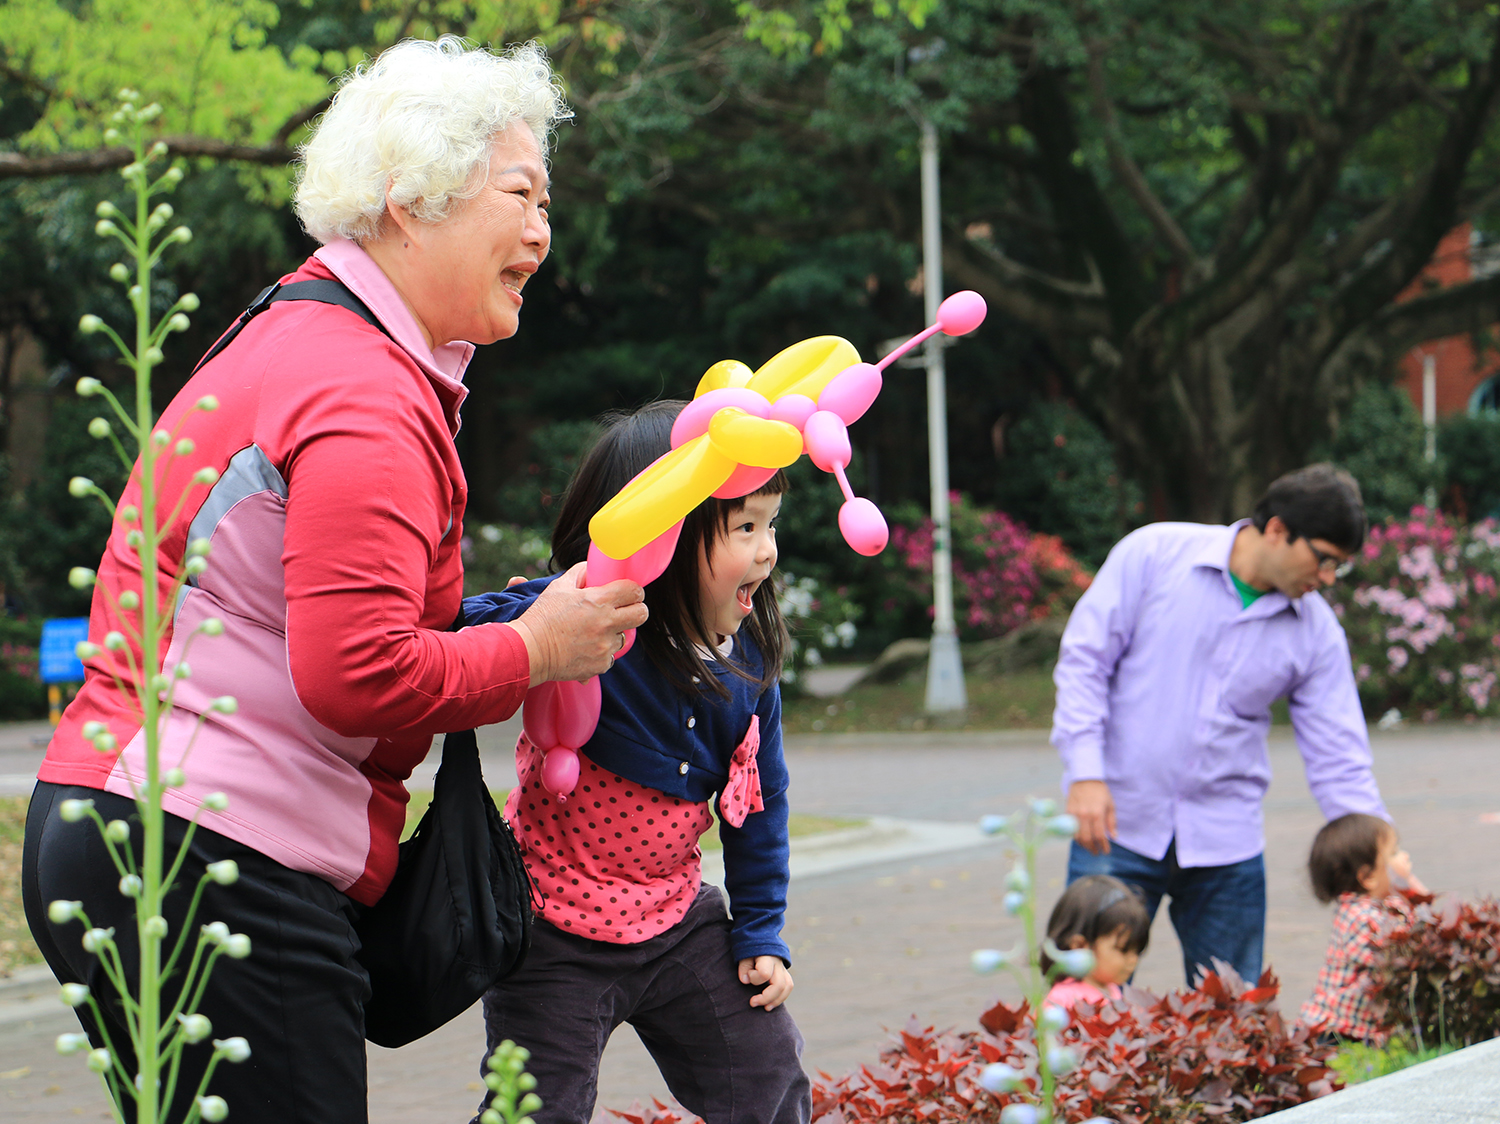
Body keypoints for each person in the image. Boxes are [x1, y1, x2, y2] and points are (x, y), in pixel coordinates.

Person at [22, 38, 649, 1124]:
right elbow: (356, 674)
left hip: (145, 835)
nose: (544, 231)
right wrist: (538, 649)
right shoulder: (361, 387)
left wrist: (504, 618)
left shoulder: (308, 334)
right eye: (521, 192)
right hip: (207, 856)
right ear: (411, 201)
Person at [461, 401, 811, 1124]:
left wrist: (760, 932)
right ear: (665, 539)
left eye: (770, 523)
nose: (768, 549)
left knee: (767, 1075)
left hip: (678, 923)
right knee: (536, 1110)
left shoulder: (745, 673)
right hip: (551, 932)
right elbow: (466, 626)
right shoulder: (591, 629)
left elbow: (760, 807)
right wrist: (550, 616)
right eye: (745, 527)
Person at [1052, 463, 1396, 987]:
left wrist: (1376, 851)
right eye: (1324, 559)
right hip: (1116, 823)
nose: (1327, 578)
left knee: (1233, 1023)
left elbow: (1339, 752)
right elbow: (1084, 663)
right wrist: (1085, 774)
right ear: (1278, 529)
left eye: (1339, 568)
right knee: (1082, 1009)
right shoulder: (1154, 555)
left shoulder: (1316, 632)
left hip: (1225, 844)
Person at [1299, 813, 1427, 1046]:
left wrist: (1410, 885)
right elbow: (1391, 959)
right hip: (1333, 1032)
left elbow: (1422, 916)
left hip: (1358, 1029)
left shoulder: (1387, 904)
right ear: (1367, 877)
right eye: (1394, 853)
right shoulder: (1358, 917)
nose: (1405, 857)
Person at [1040, 874, 1151, 1015]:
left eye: (1136, 951)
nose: (1133, 960)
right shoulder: (1061, 1000)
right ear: (1079, 946)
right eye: (1123, 950)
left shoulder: (1111, 988)